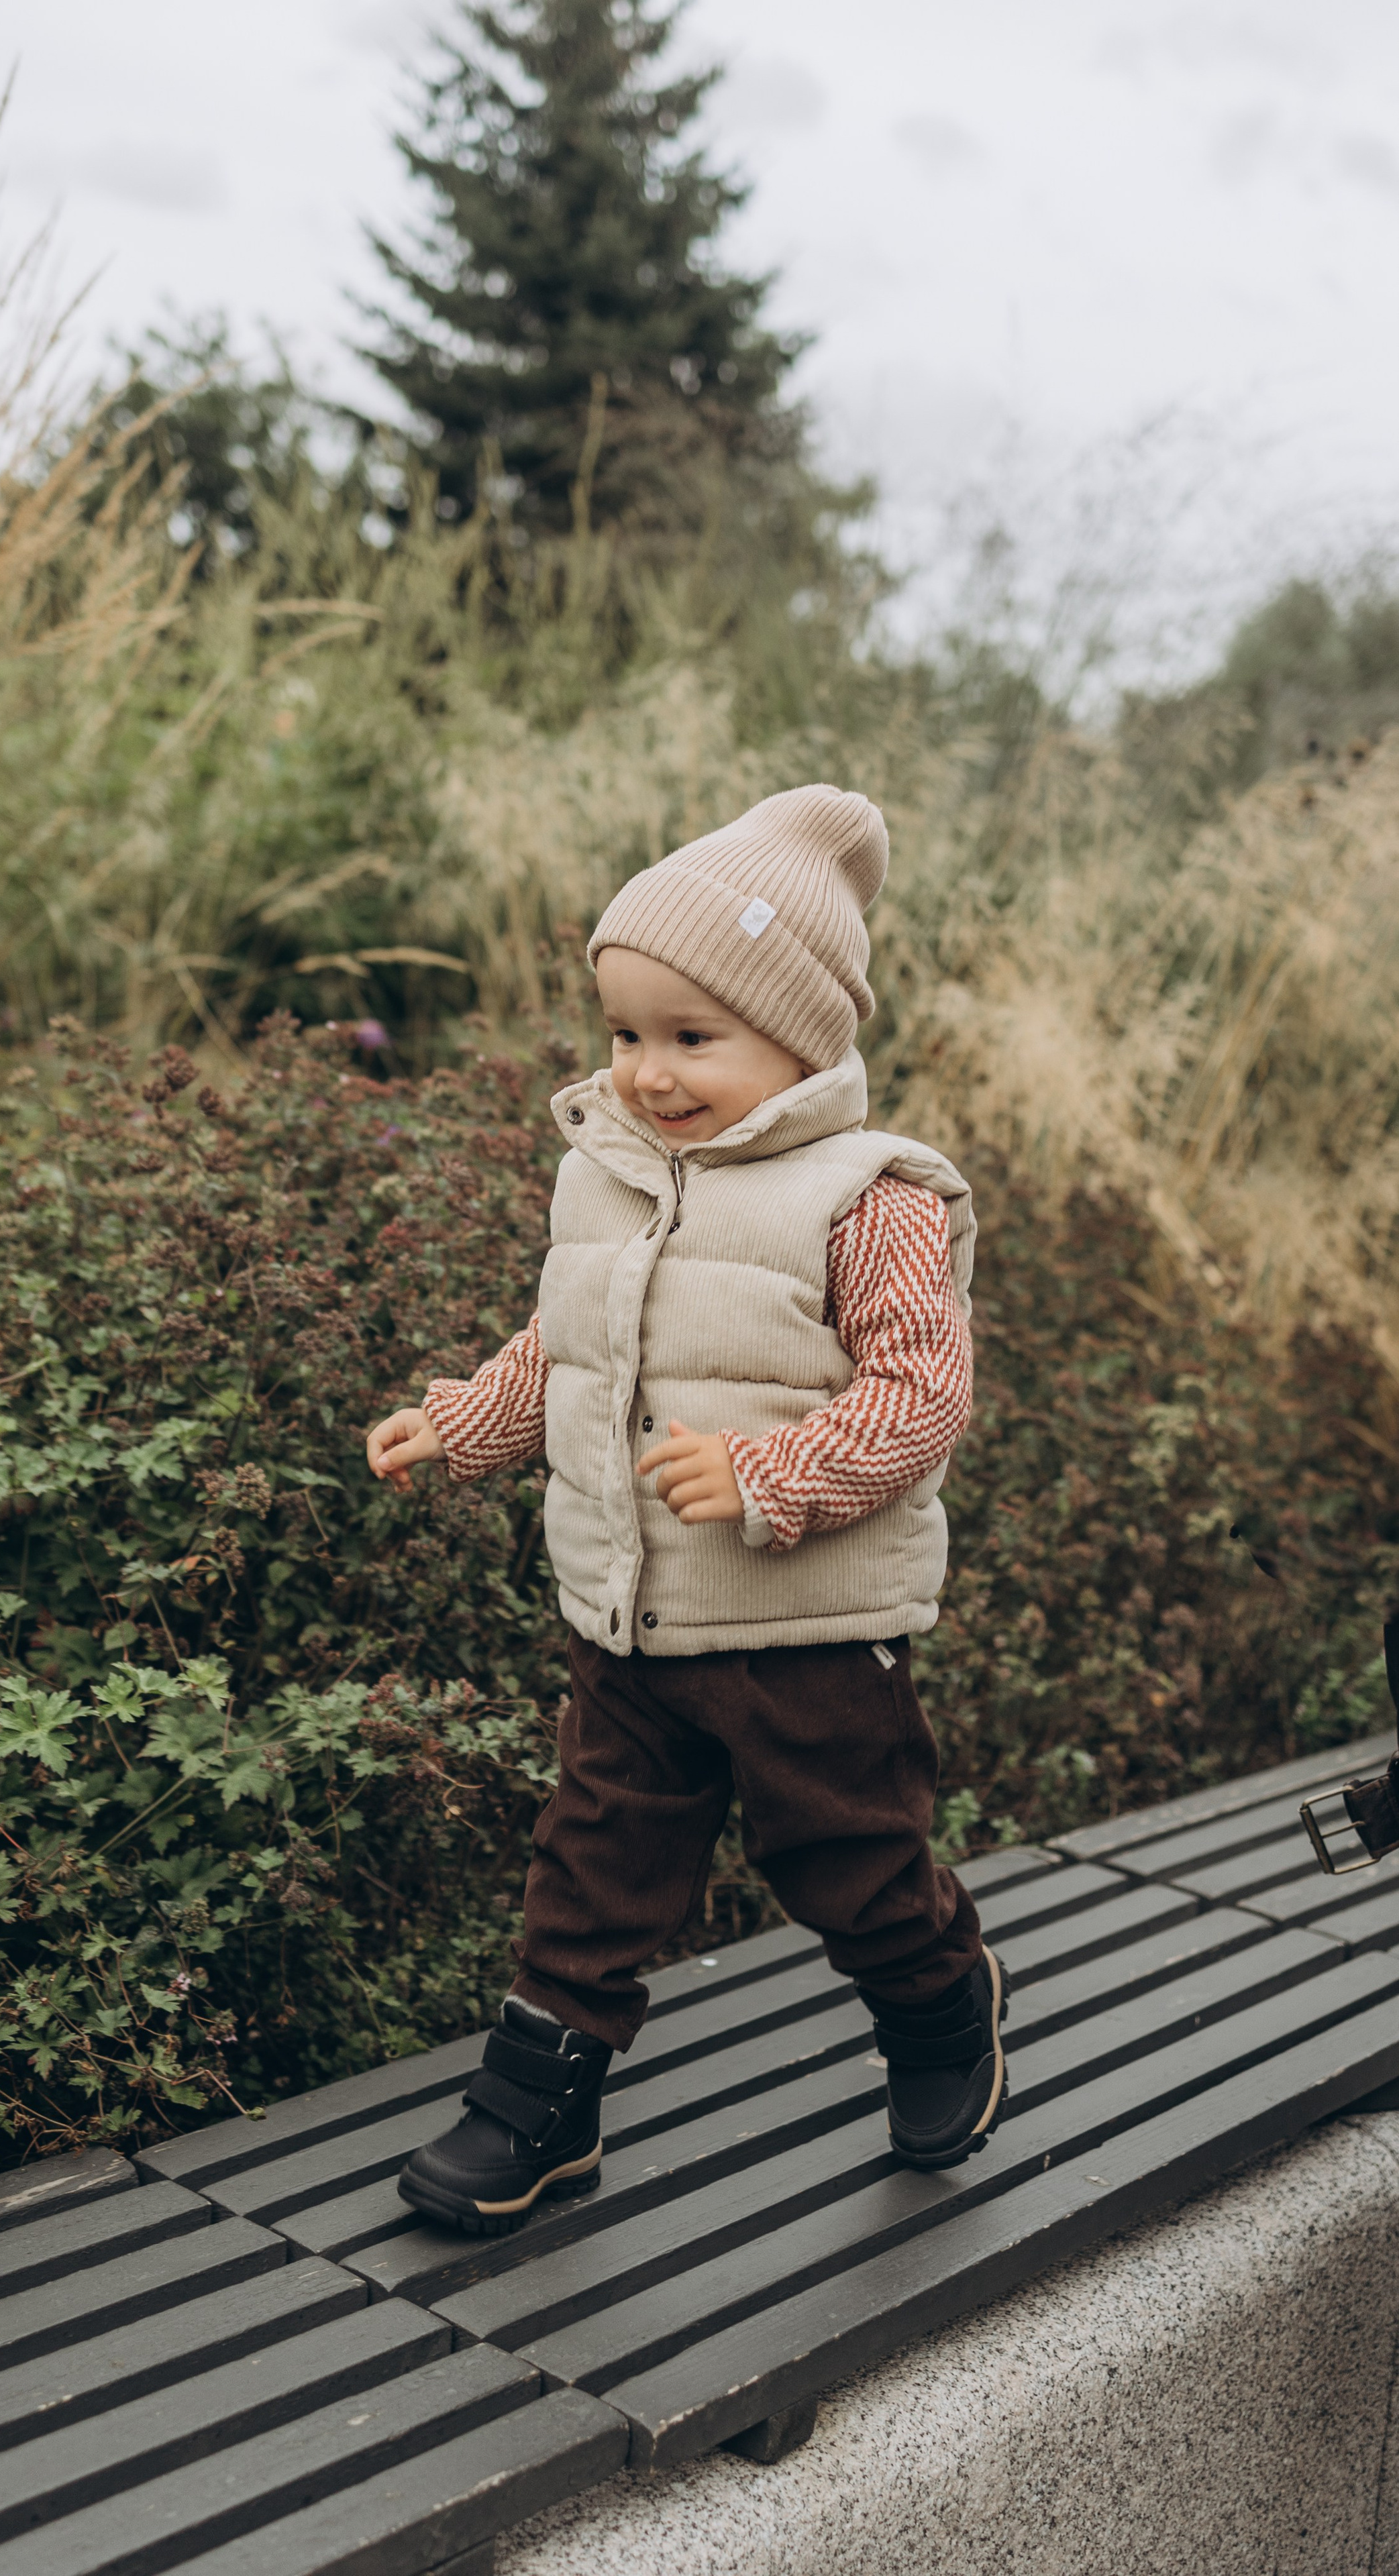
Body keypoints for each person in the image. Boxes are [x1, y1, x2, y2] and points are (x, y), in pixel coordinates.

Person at [365, 784, 1005, 2235]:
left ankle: (936, 2000)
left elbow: (920, 1402)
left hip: (806, 1634)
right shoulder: (603, 1182)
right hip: (632, 1621)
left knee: (843, 1864)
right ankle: (535, 2110)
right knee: (589, 1867)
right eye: (625, 1034)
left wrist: (767, 1478)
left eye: (690, 1038)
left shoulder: (871, 1198)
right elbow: (569, 1351)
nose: (647, 1073)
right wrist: (465, 1422)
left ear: (803, 1035)